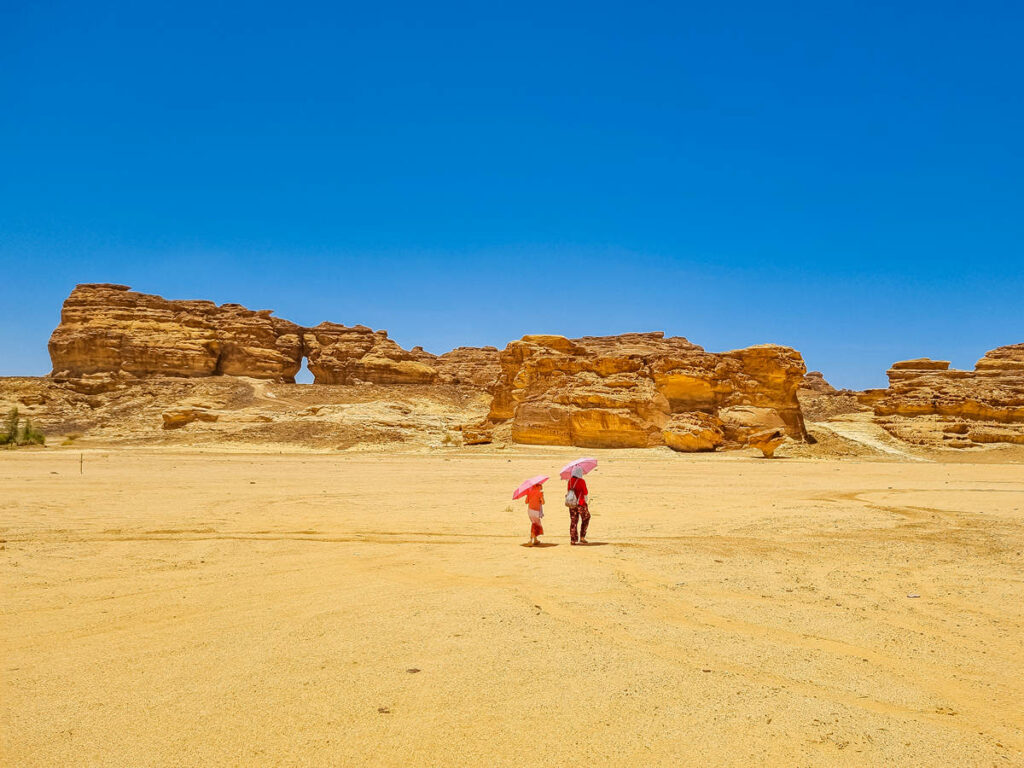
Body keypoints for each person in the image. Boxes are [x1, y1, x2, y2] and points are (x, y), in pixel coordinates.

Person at [567, 467, 590, 545]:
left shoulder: (569, 481)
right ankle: (582, 537)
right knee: (586, 518)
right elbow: (585, 492)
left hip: (572, 504)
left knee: (574, 521)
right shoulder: (581, 481)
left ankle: (573, 539)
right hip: (580, 503)